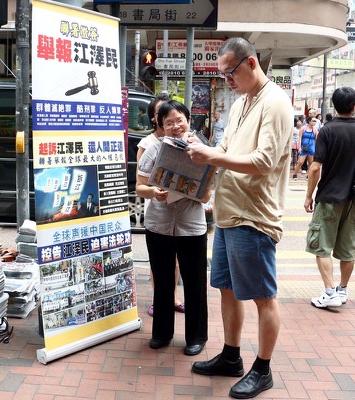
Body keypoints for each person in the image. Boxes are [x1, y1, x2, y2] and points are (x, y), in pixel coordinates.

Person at [186, 37, 292, 399]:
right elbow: (227, 151)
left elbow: (263, 162)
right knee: (227, 289)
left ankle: (262, 369)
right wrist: (193, 153)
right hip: (229, 214)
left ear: (250, 64)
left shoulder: (275, 103)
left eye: (230, 73)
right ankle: (232, 356)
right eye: (223, 74)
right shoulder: (240, 103)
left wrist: (212, 159)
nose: (227, 81)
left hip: (255, 216)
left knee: (263, 296)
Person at [136, 99, 210, 357]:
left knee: (195, 282)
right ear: (161, 126)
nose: (176, 126)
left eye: (180, 120)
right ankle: (161, 333)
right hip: (159, 225)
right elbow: (139, 186)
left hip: (192, 225)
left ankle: (196, 337)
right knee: (164, 280)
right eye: (169, 123)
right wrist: (153, 192)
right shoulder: (153, 150)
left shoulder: (202, 150)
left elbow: (208, 193)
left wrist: (201, 193)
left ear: (188, 120)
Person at [304, 87, 355, 308]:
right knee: (348, 249)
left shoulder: (327, 131)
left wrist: (309, 195)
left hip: (329, 197)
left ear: (334, 106)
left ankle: (329, 292)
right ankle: (342, 290)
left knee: (321, 246)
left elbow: (315, 167)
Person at [137, 93, 185, 317]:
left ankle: (173, 296)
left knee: (175, 261)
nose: (172, 122)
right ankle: (159, 299)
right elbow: (142, 181)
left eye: (177, 118)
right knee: (160, 262)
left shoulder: (187, 142)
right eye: (161, 114)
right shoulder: (148, 145)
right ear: (155, 119)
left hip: (182, 213)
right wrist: (154, 192)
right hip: (157, 208)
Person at [293, 116, 318, 181]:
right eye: (313, 121)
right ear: (309, 121)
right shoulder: (303, 128)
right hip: (304, 147)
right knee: (300, 162)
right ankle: (295, 175)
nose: (314, 122)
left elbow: (316, 139)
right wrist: (299, 147)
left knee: (311, 163)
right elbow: (300, 138)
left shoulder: (315, 130)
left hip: (311, 147)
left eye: (315, 121)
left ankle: (308, 176)